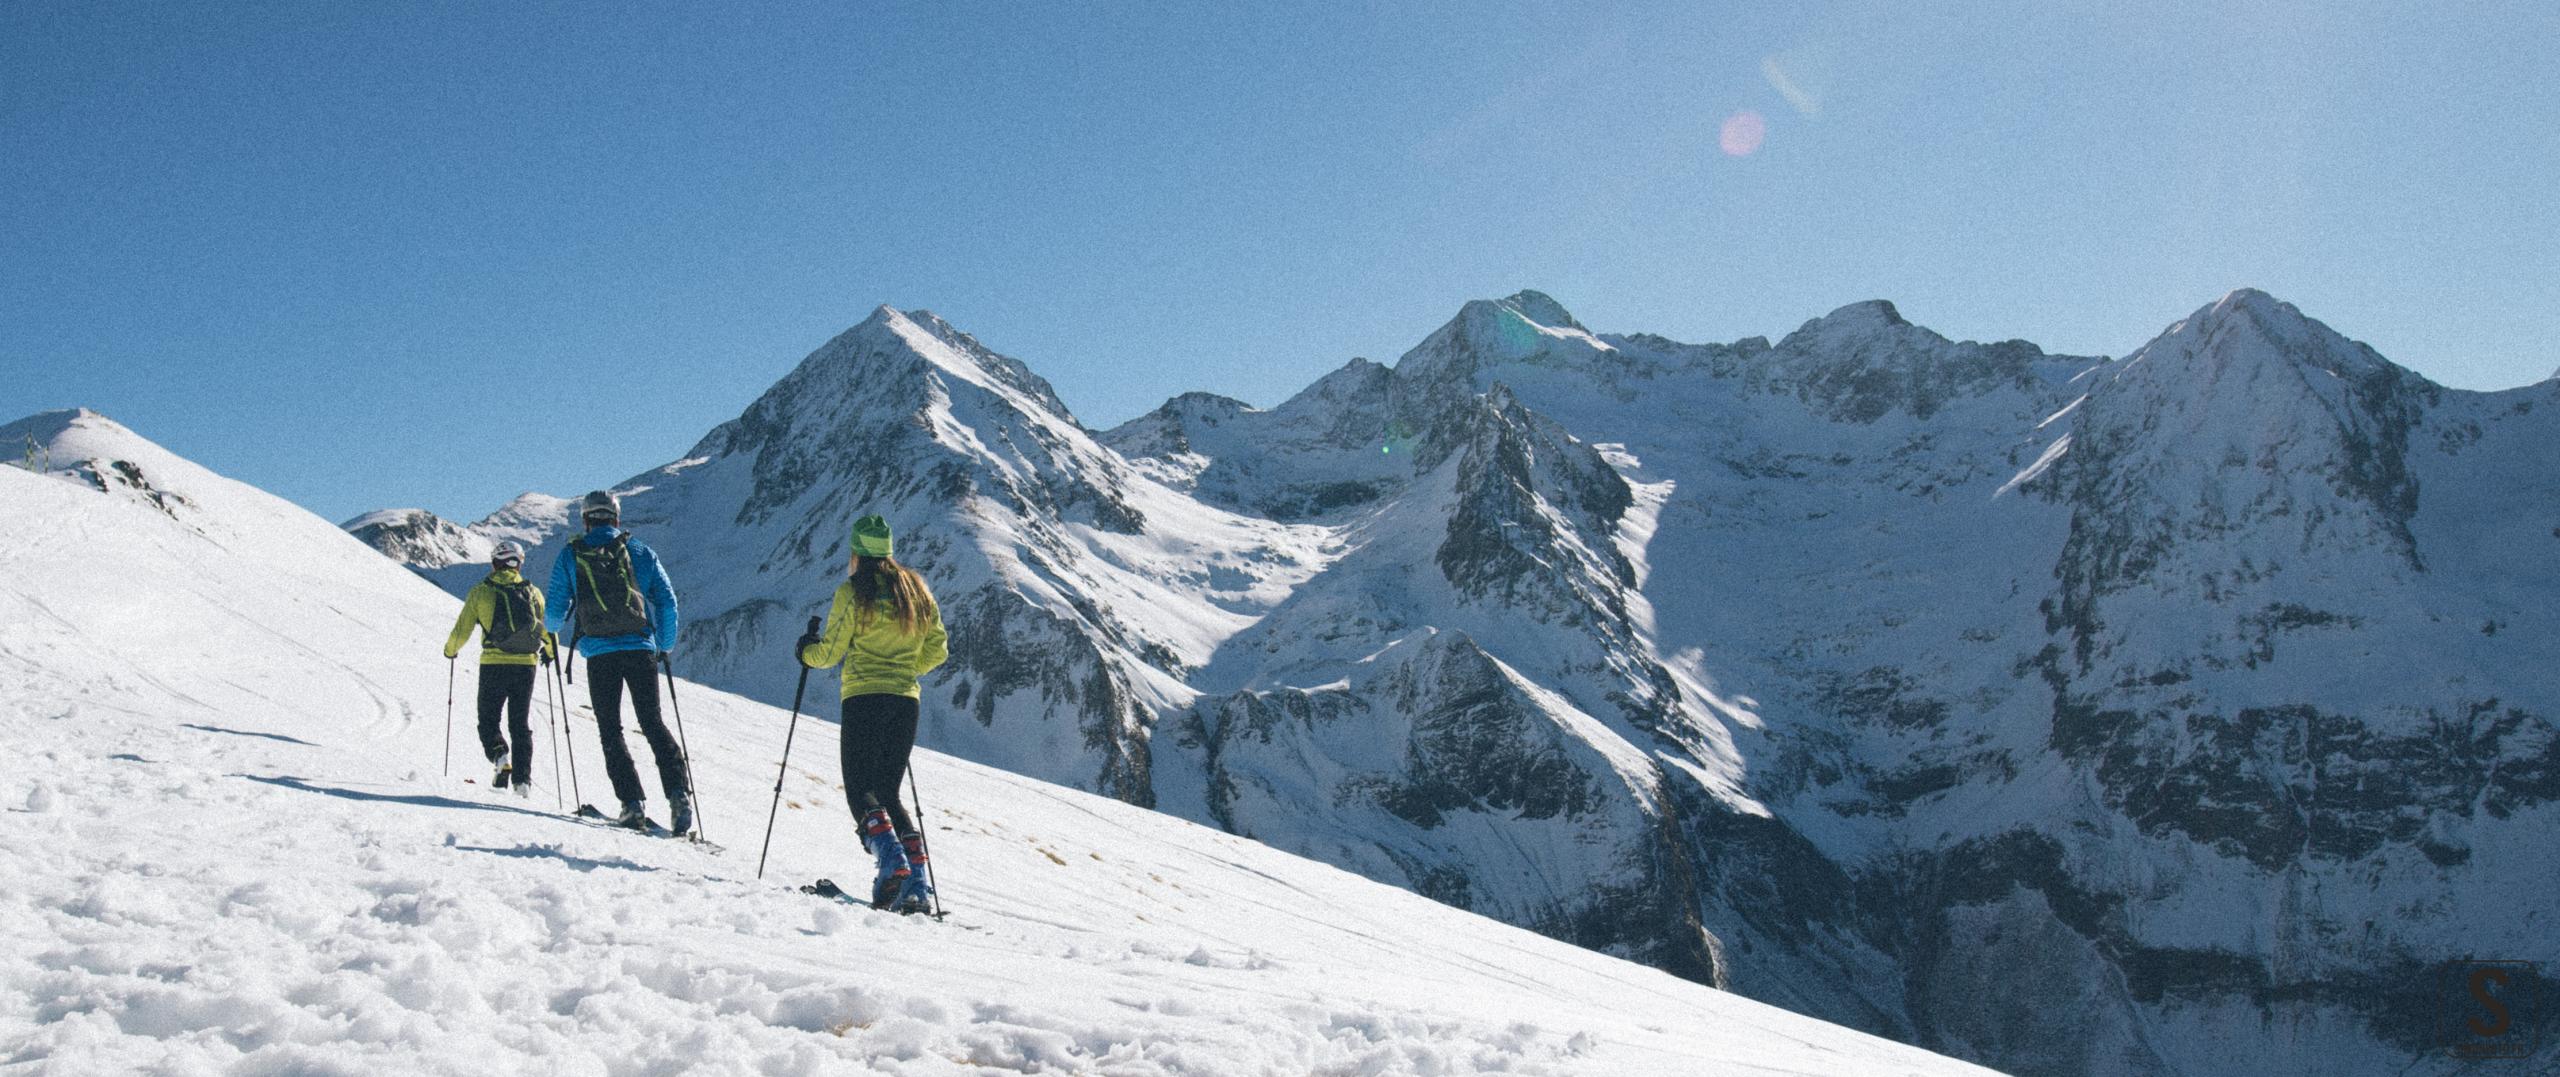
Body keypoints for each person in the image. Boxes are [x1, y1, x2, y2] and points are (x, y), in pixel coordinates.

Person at [796, 514, 948, 911]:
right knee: (889, 793)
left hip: (864, 697)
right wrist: (905, 670)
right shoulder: (916, 590)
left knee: (860, 790)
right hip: (905, 701)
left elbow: (829, 653)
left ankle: (891, 863)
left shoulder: (854, 590)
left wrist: (804, 652)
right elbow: (938, 649)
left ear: (857, 552)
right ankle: (915, 883)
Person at [543, 490, 690, 833]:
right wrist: (663, 646)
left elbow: (552, 617)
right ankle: (678, 795)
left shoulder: (571, 555)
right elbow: (667, 601)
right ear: (616, 518)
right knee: (653, 722)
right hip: (640, 650)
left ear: (585, 520)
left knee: (610, 728)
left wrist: (560, 624)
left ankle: (631, 803)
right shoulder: (639, 550)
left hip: (600, 654)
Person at [442, 541, 556, 795]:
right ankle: (522, 782)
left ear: (495, 563)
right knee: (520, 724)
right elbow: (544, 628)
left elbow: (463, 629)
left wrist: (451, 650)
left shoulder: (482, 591)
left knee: (488, 720)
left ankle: (500, 756)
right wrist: (550, 651)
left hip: (493, 664)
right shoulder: (533, 592)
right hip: (526, 665)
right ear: (519, 563)